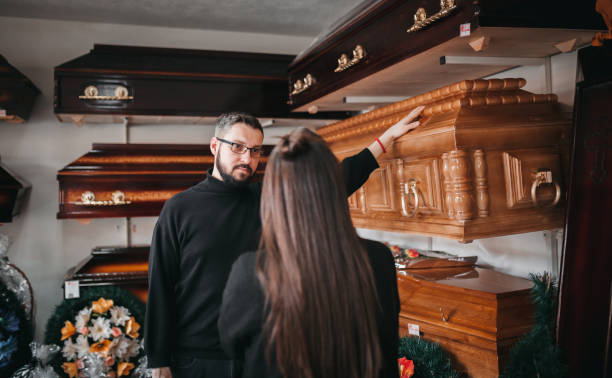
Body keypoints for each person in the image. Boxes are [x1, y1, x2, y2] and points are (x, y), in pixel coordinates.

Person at [146, 108, 423, 378]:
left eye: (255, 151)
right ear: (214, 146)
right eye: (238, 147)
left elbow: (335, 179)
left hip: (259, 352)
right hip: (196, 358)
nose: (247, 158)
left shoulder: (269, 196)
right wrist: (158, 358)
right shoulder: (179, 209)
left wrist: (384, 141)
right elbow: (160, 283)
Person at [218, 128, 400, 378]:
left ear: (273, 195)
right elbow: (388, 349)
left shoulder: (251, 271)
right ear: (334, 186)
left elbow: (231, 346)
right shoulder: (378, 259)